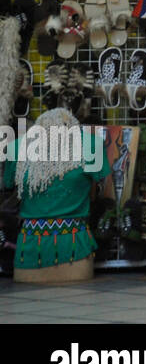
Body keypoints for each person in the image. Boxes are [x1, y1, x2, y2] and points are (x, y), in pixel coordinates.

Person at [3, 108, 109, 284]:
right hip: (72, 245)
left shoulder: (17, 147)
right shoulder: (91, 144)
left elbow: (9, 186)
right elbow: (100, 189)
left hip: (35, 245)